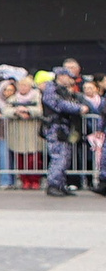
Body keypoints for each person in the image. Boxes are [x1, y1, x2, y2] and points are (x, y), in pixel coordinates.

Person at [42, 61, 87, 195]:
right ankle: (53, 185)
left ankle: (61, 184)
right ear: (61, 76)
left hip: (64, 127)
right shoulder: (51, 89)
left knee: (65, 157)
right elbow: (59, 105)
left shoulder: (63, 90)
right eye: (69, 77)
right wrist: (79, 108)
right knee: (59, 157)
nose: (71, 80)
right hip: (55, 128)